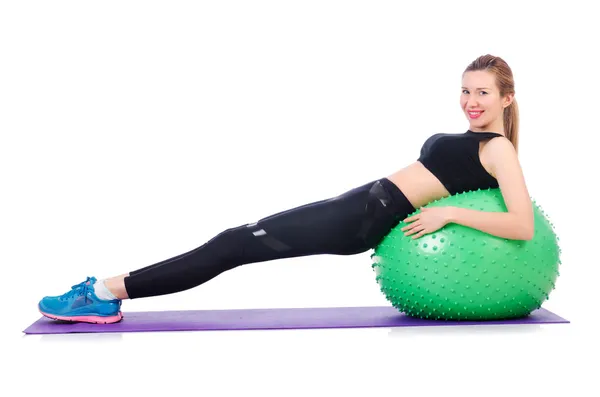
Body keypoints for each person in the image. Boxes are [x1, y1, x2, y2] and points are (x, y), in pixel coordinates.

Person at [38, 54, 534, 324]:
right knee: (234, 240)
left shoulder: (499, 149)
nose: (470, 100)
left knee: (233, 244)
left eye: (482, 92)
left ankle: (105, 293)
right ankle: (107, 292)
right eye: (465, 90)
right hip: (358, 204)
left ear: (506, 97)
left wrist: (450, 216)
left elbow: (521, 224)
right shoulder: (475, 141)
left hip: (359, 219)